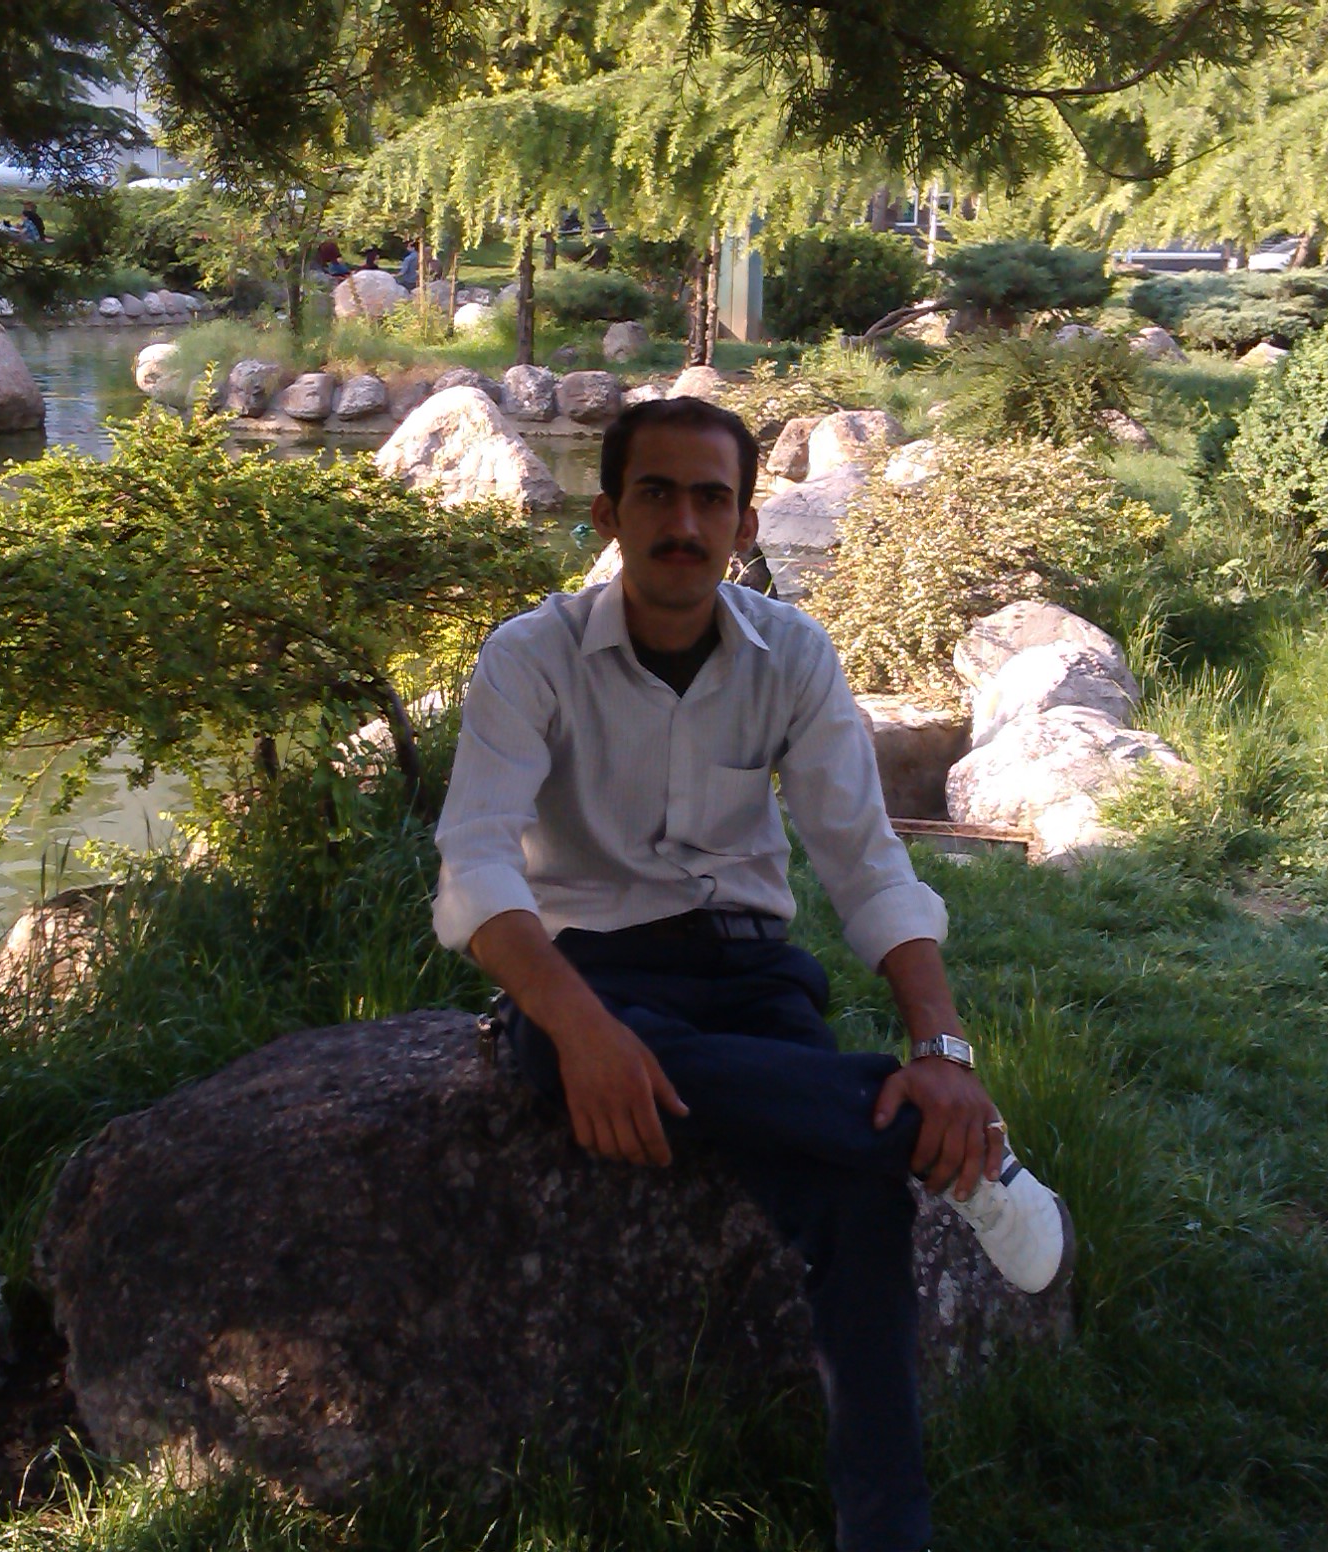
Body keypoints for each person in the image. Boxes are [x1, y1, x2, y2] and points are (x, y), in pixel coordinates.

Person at [433, 396, 1070, 1552]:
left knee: (857, 1201)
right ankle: (921, 1132)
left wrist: (941, 1047)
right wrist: (584, 1028)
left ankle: (887, 1535)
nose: (684, 523)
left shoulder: (794, 656)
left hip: (750, 978)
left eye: (709, 498)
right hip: (594, 977)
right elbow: (475, 861)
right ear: (608, 514)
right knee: (557, 1052)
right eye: (656, 494)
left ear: (745, 522)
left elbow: (864, 861)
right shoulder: (531, 656)